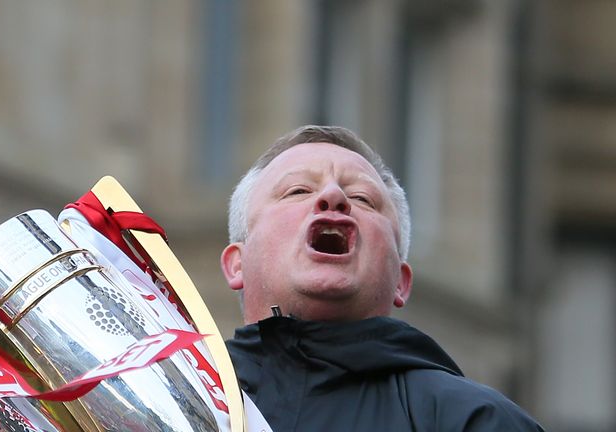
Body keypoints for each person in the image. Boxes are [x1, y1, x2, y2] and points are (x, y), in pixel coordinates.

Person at [221, 125, 544, 431]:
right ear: (237, 264)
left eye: (363, 198)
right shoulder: (184, 395)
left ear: (401, 282)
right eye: (298, 190)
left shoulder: (475, 421)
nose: (334, 197)